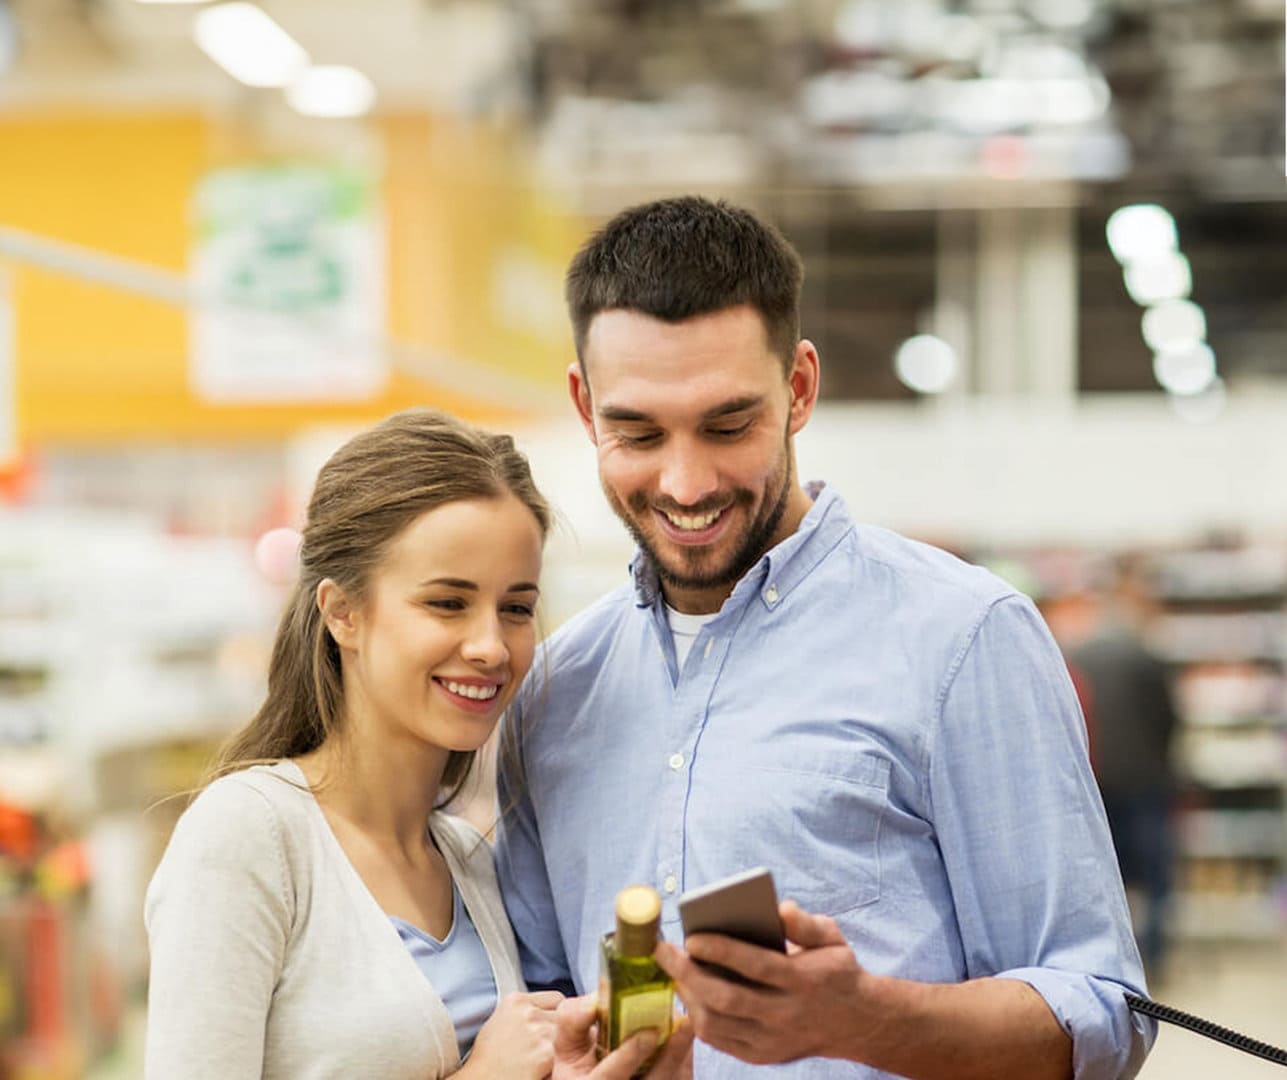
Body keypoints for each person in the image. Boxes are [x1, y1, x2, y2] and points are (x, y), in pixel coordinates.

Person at [494, 197, 1154, 1079]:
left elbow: (1103, 1012)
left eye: (729, 426)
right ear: (583, 406)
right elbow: (546, 992)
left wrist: (870, 1019)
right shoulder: (552, 688)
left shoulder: (960, 639)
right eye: (637, 432)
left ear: (799, 387)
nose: (685, 483)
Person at [144, 408, 693, 1080]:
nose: (490, 646)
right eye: (446, 603)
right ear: (342, 613)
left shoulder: (470, 862)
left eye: (515, 608)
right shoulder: (248, 836)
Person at [1067, 555, 1180, 979]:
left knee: (1101, 874)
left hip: (1095, 780)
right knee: (1155, 878)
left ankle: (1107, 961)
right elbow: (1169, 719)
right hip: (1147, 780)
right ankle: (1154, 958)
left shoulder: (1078, 655)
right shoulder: (1148, 656)